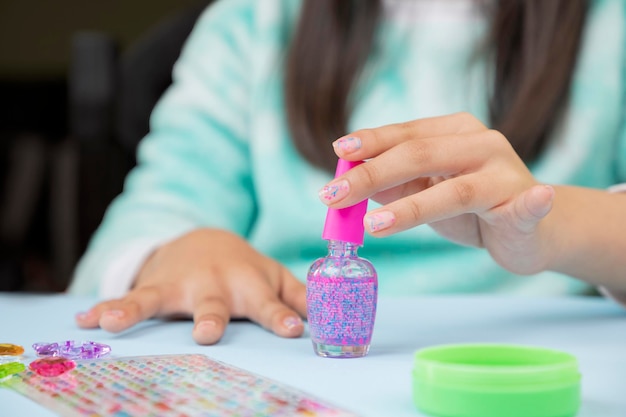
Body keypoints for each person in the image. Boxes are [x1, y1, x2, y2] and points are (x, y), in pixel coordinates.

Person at [69, 0, 626, 345]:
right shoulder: (254, 21)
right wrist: (179, 248)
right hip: (280, 353)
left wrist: (552, 230)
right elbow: (153, 209)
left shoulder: (611, 28)